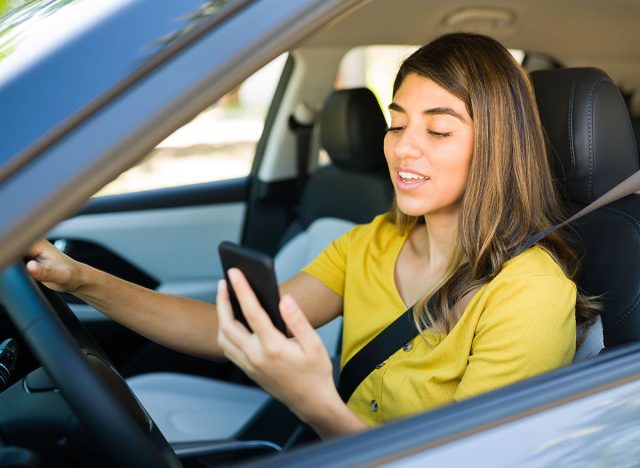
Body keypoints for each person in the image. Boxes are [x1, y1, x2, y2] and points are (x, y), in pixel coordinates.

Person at [26, 32, 598, 440]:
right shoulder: (372, 243)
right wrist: (80, 279)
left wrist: (314, 400)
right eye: (396, 123)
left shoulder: (530, 295)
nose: (403, 147)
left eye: (438, 129)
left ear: (497, 147)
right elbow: (223, 330)